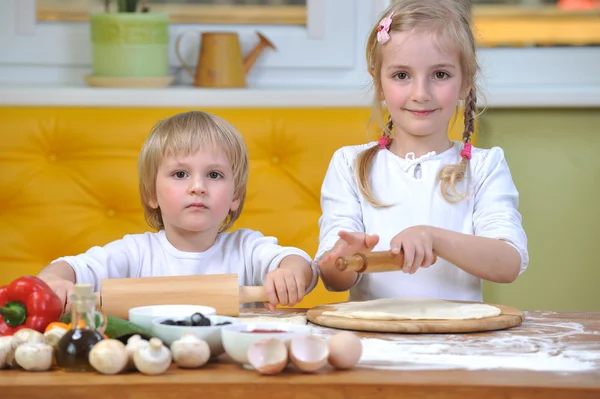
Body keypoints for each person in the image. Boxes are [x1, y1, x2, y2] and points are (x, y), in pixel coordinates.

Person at [316, 0, 528, 303]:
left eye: (440, 75)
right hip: (374, 341)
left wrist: (434, 237)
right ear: (378, 83)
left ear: (466, 82)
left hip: (459, 343)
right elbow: (333, 280)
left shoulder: (485, 166)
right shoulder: (349, 165)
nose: (420, 94)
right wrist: (347, 257)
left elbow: (508, 263)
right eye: (402, 75)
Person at [38, 111, 317, 313]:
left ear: (236, 196)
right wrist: (54, 280)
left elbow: (298, 262)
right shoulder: (135, 253)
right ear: (151, 194)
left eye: (215, 175)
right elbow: (73, 267)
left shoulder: (246, 249)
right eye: (180, 173)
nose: (198, 187)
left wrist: (290, 272)